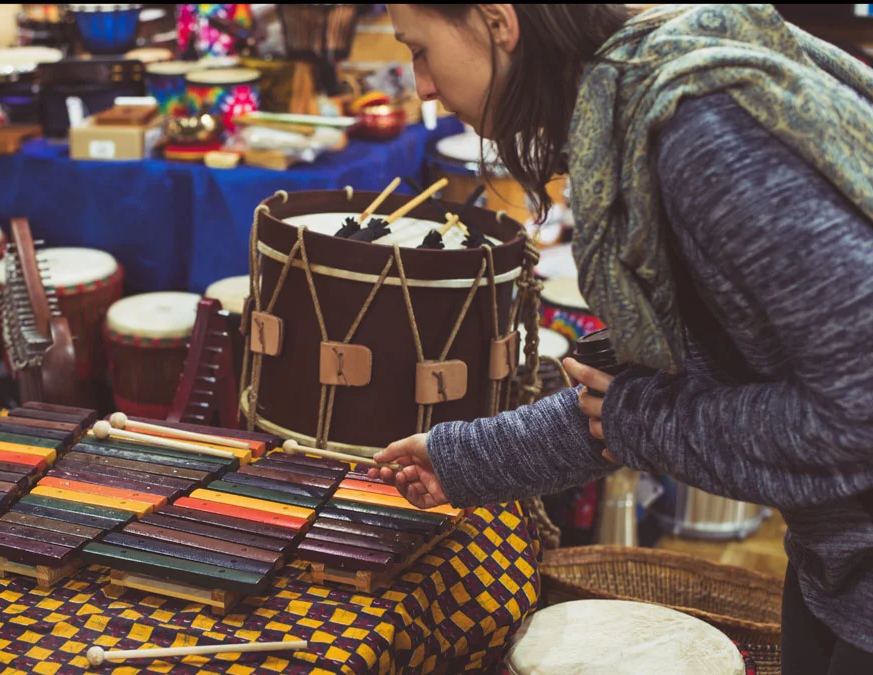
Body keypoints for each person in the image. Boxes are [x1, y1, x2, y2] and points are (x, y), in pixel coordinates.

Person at [370, 5, 873, 673]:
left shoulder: (705, 136)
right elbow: (627, 399)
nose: (422, 84)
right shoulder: (636, 106)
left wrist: (645, 424)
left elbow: (859, 411)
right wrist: (462, 457)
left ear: (497, 20)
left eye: (421, 49)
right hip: (834, 564)